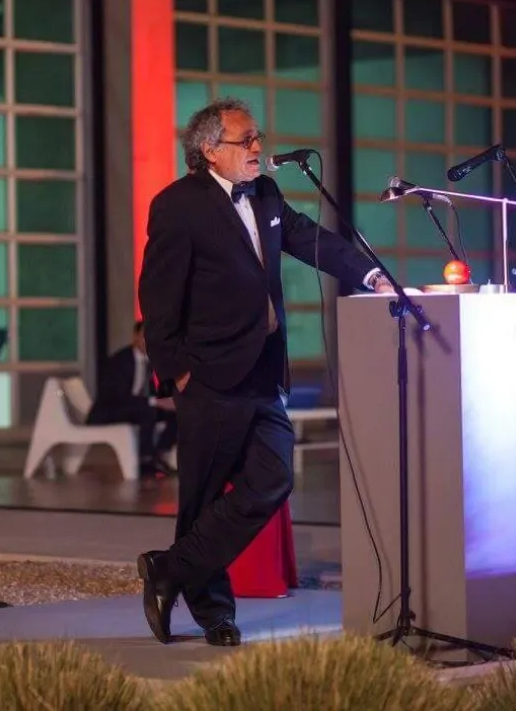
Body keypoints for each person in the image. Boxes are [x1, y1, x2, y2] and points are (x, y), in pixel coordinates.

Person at [135, 97, 392, 647]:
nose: (258, 148)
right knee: (202, 498)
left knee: (274, 477)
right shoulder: (178, 205)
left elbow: (312, 240)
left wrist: (372, 275)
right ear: (209, 149)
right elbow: (157, 297)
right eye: (245, 139)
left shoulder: (269, 194)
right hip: (208, 374)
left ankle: (170, 568)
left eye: (258, 137)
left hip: (262, 371)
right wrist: (176, 371)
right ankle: (214, 613)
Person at [86, 320, 177, 477]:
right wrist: (155, 402)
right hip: (110, 410)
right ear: (135, 337)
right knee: (147, 410)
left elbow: (156, 391)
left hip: (136, 408)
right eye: (145, 336)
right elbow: (117, 396)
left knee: (177, 411)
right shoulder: (120, 361)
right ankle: (145, 459)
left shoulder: (152, 362)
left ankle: (161, 452)